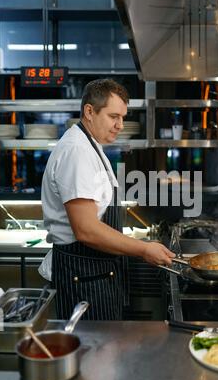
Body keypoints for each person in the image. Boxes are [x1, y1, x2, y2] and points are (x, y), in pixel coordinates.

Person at [39, 79, 174, 320]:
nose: (120, 125)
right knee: (92, 353)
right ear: (89, 112)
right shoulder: (77, 152)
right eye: (114, 116)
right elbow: (86, 230)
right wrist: (143, 249)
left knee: (103, 351)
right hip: (83, 276)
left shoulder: (90, 146)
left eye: (122, 117)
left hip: (96, 272)